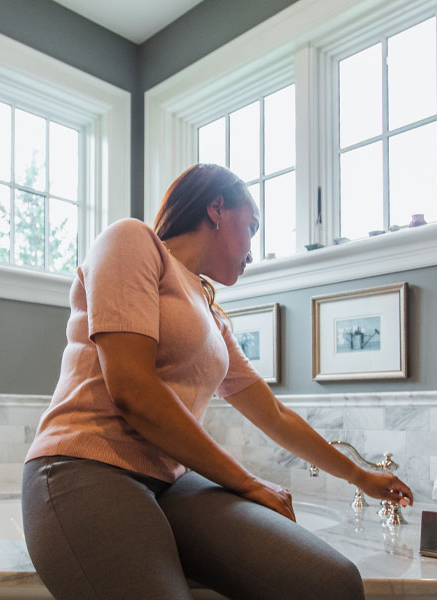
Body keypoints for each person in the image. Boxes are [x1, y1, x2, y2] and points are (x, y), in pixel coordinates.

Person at [22, 163, 413, 599]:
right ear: (217, 208)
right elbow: (134, 392)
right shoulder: (131, 241)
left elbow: (276, 415)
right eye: (252, 226)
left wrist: (360, 477)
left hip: (172, 482)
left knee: (331, 583)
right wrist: (248, 483)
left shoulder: (211, 314)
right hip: (85, 466)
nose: (253, 250)